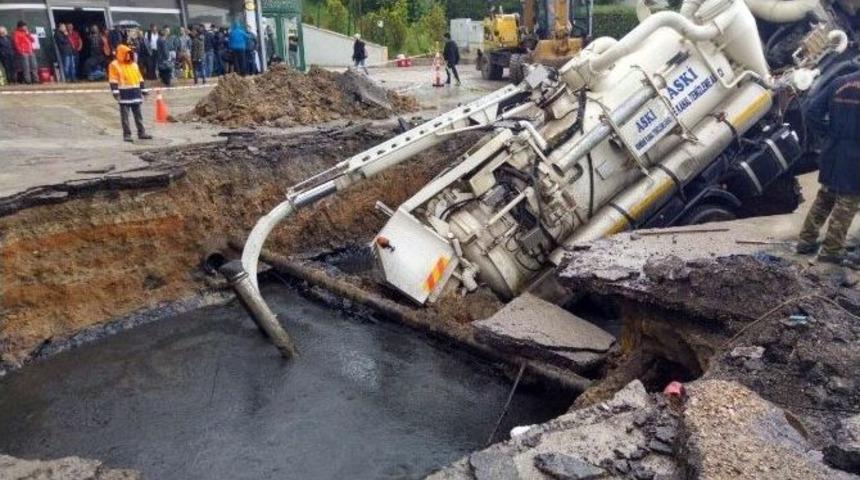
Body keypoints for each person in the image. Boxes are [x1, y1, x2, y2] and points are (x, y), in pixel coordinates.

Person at [796, 70, 860, 269]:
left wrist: (827, 136)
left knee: (827, 194)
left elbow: (812, 112)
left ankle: (805, 241)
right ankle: (831, 251)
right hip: (856, 153)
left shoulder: (839, 81)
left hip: (832, 149)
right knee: (848, 201)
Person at [109, 43, 152, 142]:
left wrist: (144, 91)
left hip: (135, 93)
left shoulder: (134, 65)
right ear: (121, 54)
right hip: (124, 95)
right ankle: (127, 134)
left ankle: (142, 132)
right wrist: (115, 93)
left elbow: (140, 79)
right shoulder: (114, 65)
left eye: (129, 53)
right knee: (125, 117)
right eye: (126, 53)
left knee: (138, 115)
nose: (128, 55)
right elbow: (113, 80)